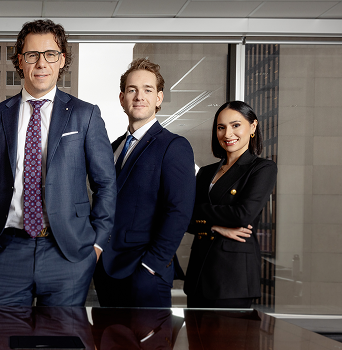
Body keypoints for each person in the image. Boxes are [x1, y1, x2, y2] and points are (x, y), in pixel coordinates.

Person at [0, 19, 116, 307]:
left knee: (63, 340)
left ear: (62, 60)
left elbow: (106, 184)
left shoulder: (85, 115)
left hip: (68, 253)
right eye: (32, 55)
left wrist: (96, 246)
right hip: (5, 251)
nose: (41, 63)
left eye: (50, 54)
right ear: (20, 61)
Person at [94, 58, 196, 308]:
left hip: (145, 274)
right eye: (132, 90)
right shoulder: (113, 147)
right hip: (106, 272)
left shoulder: (173, 146)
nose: (139, 96)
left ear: (159, 98)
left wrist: (151, 266)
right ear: (122, 99)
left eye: (148, 90)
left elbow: (179, 211)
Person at [184, 100, 277, 308]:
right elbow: (185, 220)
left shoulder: (262, 168)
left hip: (231, 278)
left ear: (253, 127)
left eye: (236, 125)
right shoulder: (206, 172)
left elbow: (243, 215)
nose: (227, 134)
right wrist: (215, 226)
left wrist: (197, 212)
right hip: (199, 274)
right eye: (221, 127)